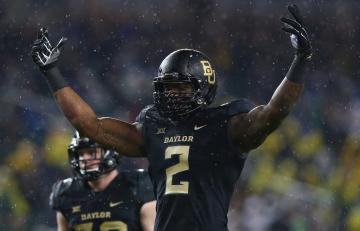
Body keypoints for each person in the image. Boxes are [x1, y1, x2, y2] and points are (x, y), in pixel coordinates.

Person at [32, 4, 312, 231]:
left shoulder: (225, 125)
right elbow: (89, 125)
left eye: (180, 87)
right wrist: (52, 73)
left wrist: (300, 60)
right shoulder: (153, 126)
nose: (172, 95)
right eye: (166, 88)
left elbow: (274, 113)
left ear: (204, 86)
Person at [49, 131, 156, 231]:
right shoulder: (66, 193)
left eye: (92, 152)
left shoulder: (139, 185)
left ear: (109, 152)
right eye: (81, 154)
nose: (85, 159)